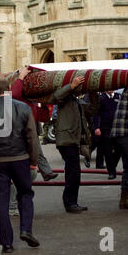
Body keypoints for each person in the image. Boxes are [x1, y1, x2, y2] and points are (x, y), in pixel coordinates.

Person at [0, 78, 40, 253]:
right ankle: (26, 229)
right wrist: (33, 161)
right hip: (20, 158)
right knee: (25, 194)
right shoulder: (23, 108)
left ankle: (7, 243)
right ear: (10, 89)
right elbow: (32, 137)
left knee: (1, 201)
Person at [50, 76, 98, 213]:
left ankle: (72, 202)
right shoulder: (63, 99)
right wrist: (72, 85)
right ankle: (70, 203)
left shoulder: (77, 102)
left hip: (73, 140)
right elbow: (56, 97)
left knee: (74, 172)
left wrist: (93, 93)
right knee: (73, 172)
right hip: (66, 140)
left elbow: (93, 110)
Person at [12, 67, 59, 181]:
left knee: (36, 150)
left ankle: (46, 172)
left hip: (30, 129)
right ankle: (44, 172)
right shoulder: (20, 97)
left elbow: (43, 117)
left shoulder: (31, 101)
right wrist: (21, 77)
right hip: (20, 129)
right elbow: (14, 93)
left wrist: (43, 103)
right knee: (34, 151)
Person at [93, 90, 122, 179]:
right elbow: (96, 114)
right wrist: (97, 127)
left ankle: (112, 165)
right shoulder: (101, 98)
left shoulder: (118, 97)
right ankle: (111, 172)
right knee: (107, 151)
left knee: (118, 150)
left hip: (117, 128)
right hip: (105, 128)